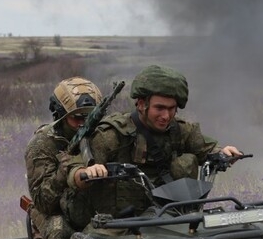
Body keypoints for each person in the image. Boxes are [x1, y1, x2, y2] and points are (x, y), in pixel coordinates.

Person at [68, 64, 242, 220]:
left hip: (169, 217)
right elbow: (75, 169)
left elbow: (206, 148)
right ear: (141, 105)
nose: (166, 116)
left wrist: (223, 152)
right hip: (118, 224)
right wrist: (87, 172)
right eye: (159, 108)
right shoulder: (112, 135)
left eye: (171, 108)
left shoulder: (180, 130)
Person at [25, 76, 102, 239]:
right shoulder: (42, 145)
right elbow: (43, 201)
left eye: (90, 117)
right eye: (77, 118)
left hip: (89, 204)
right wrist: (65, 172)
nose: (83, 124)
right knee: (60, 232)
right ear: (61, 115)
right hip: (50, 209)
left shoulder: (101, 135)